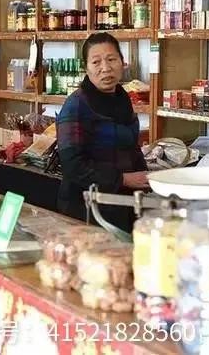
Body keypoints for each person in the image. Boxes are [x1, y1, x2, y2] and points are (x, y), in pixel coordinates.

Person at [56, 32, 149, 233]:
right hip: (87, 208)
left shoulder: (122, 98)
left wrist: (149, 177)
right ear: (86, 68)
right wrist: (123, 179)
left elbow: (130, 146)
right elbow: (72, 165)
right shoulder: (76, 104)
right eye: (96, 62)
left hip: (122, 203)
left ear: (123, 63)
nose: (105, 68)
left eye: (111, 59)